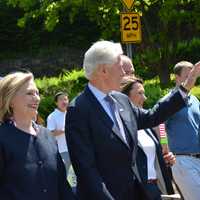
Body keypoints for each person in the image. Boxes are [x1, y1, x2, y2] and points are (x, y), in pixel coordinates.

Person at [65, 40, 200, 200]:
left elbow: (152, 117)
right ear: (103, 71)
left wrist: (185, 87)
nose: (124, 73)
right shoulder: (78, 110)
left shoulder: (121, 100)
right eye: (120, 66)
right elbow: (86, 170)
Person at [0, 72, 76, 200]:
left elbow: (62, 184)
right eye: (30, 93)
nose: (37, 98)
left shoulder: (47, 135)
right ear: (10, 100)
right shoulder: (2, 138)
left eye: (37, 93)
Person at [121, 77, 176, 200]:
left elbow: (161, 128)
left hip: (155, 187)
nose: (145, 98)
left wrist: (166, 149)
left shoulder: (146, 116)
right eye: (140, 93)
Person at [164, 61, 200, 200]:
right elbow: (159, 125)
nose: (193, 77)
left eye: (194, 74)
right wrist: (165, 149)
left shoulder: (195, 100)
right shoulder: (169, 101)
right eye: (189, 74)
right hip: (182, 161)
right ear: (177, 78)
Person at [47, 92, 71, 174]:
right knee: (65, 175)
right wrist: (65, 130)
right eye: (61, 99)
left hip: (75, 148)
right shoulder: (52, 116)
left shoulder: (71, 113)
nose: (64, 101)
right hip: (62, 150)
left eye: (65, 99)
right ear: (56, 103)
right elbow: (50, 133)